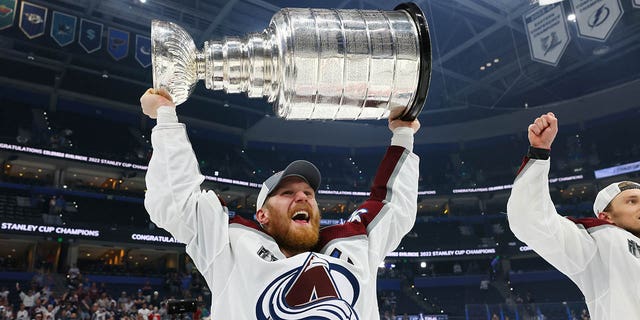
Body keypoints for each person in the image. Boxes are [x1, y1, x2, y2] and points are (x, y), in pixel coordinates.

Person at [140, 88, 420, 319]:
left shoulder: (355, 245)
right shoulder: (232, 246)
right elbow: (177, 202)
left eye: (309, 194)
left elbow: (392, 206)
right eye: (287, 193)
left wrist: (403, 133)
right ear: (262, 215)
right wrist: (165, 116)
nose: (302, 197)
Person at [507, 112, 640, 319]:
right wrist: (539, 153)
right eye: (632, 201)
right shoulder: (602, 240)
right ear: (606, 217)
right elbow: (532, 221)